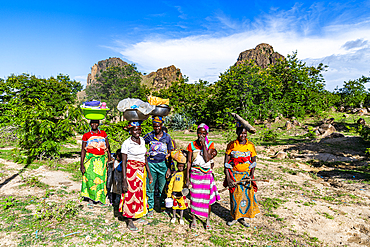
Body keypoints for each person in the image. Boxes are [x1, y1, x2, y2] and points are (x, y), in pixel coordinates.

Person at [224, 123, 260, 227]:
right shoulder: (231, 145)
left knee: (245, 196)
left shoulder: (250, 146)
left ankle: (243, 218)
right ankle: (235, 217)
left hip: (246, 175)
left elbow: (253, 162)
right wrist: (228, 178)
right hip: (234, 175)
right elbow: (226, 163)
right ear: (237, 133)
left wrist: (251, 176)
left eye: (244, 133)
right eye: (240, 133)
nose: (242, 135)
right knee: (235, 196)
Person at [119, 121, 153, 231]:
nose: (138, 131)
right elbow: (124, 162)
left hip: (141, 171)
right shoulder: (126, 143)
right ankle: (129, 219)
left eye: (139, 129)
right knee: (129, 194)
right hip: (131, 171)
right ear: (130, 131)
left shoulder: (142, 141)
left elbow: (144, 158)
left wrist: (149, 174)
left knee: (139, 193)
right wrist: (124, 179)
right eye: (135, 129)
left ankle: (137, 215)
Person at [186, 123, 220, 229]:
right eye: (199, 133)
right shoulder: (191, 145)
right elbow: (189, 162)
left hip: (206, 175)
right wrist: (187, 178)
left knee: (207, 199)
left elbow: (206, 159)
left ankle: (207, 220)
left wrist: (204, 145)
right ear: (196, 133)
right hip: (195, 175)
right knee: (194, 198)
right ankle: (194, 219)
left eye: (204, 134)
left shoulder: (210, 145)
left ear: (207, 134)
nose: (201, 135)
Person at [144, 116, 174, 217]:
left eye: (158, 126)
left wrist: (169, 168)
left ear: (161, 125)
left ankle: (162, 207)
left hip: (163, 165)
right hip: (151, 164)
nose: (156, 128)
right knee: (150, 186)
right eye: (154, 126)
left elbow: (171, 153)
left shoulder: (167, 137)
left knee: (162, 187)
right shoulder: (149, 136)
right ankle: (150, 208)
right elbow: (140, 142)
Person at [80, 120, 111, 205]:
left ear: (99, 124)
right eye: (92, 123)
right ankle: (91, 198)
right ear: (90, 124)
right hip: (90, 160)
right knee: (90, 179)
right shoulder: (86, 135)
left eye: (96, 123)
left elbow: (108, 147)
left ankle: (100, 198)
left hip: (101, 160)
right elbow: (83, 150)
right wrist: (82, 164)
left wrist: (109, 159)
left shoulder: (103, 134)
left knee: (101, 179)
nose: (94, 125)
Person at [167, 157, 187, 225]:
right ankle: (174, 217)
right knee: (174, 206)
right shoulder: (174, 174)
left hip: (181, 193)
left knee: (182, 206)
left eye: (182, 166)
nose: (180, 168)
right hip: (174, 193)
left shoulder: (185, 173)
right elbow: (171, 184)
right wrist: (169, 193)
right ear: (177, 166)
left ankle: (181, 218)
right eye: (179, 166)